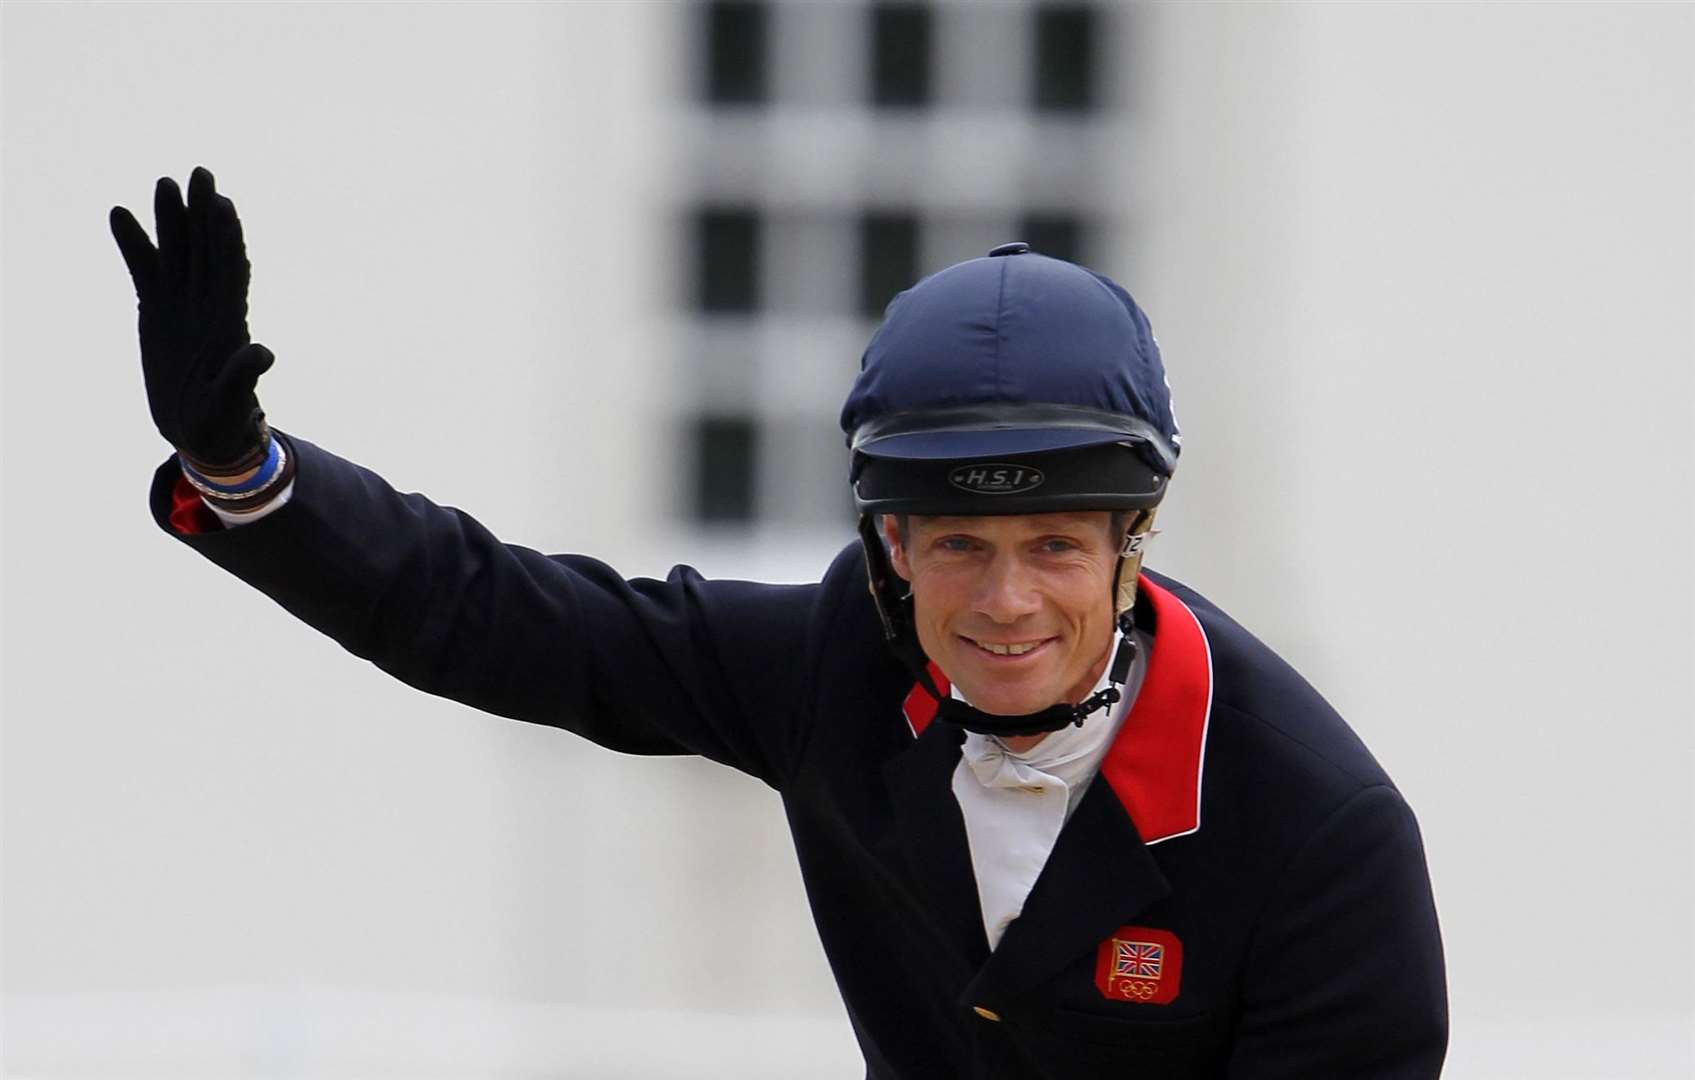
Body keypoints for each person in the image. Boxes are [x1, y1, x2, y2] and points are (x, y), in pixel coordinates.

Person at [112, 167, 1448, 1079]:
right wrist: (243, 468)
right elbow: (495, 614)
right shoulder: (831, 667)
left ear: (1129, 545)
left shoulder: (1322, 834)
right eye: (961, 550)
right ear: (890, 545)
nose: (1004, 604)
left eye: (1053, 547)